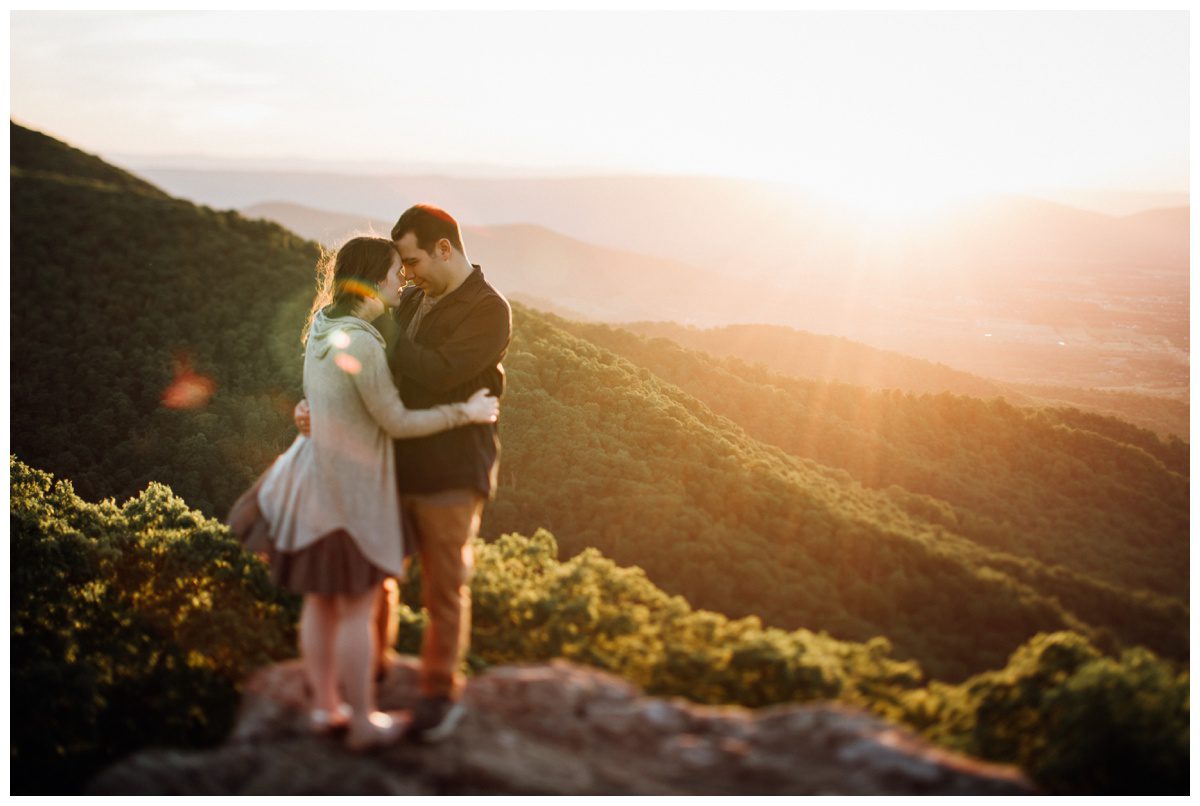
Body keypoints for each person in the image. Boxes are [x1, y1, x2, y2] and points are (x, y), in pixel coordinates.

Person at [256, 236, 499, 752]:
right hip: (354, 489)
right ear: (371, 281)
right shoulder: (364, 341)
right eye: (396, 271)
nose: (402, 281)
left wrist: (314, 411)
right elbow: (395, 419)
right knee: (356, 607)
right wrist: (466, 412)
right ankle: (364, 720)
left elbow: (329, 393)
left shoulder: (322, 323)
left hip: (316, 480)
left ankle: (326, 707)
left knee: (321, 602)